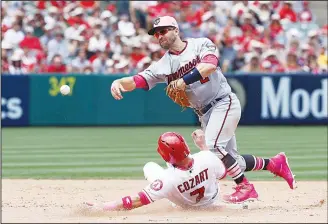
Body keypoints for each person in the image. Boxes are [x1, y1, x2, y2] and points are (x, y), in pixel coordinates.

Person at [110, 16, 296, 203]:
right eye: (156, 33)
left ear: (176, 30)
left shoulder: (200, 44)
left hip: (223, 102)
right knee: (229, 161)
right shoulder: (163, 66)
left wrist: (183, 80)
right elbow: (137, 80)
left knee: (214, 147)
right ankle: (274, 164)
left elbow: (210, 65)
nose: (159, 36)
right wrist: (119, 82)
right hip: (204, 113)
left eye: (163, 31)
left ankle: (245, 187)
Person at [85, 132, 228, 211]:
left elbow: (135, 201)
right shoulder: (207, 157)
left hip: (185, 204)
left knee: (150, 166)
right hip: (213, 201)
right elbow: (222, 175)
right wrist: (203, 146)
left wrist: (102, 207)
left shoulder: (166, 180)